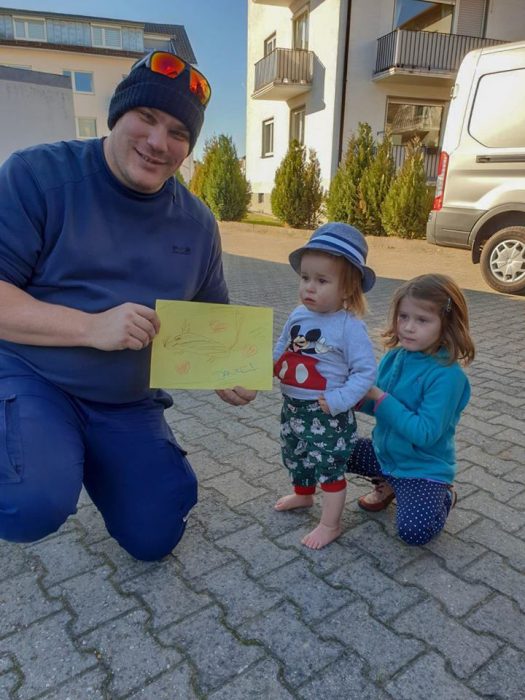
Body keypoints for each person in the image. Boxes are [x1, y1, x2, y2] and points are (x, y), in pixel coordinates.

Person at [0, 50, 255, 561]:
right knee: (29, 504)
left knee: (155, 535)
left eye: (179, 132)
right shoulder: (38, 175)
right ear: (119, 114)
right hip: (34, 376)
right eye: (147, 118)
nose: (159, 142)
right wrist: (90, 328)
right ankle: (44, 446)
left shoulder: (198, 224)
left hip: (126, 401)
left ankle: (87, 454)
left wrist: (232, 369)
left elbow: (215, 322)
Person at [347, 273, 475, 545]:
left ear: (447, 324)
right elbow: (376, 405)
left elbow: (425, 433)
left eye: (422, 320)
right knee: (332, 447)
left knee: (414, 532)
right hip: (387, 455)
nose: (407, 327)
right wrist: (354, 397)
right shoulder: (396, 356)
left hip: (422, 467)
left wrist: (379, 397)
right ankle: (390, 483)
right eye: (403, 316)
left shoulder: (447, 376)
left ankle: (441, 496)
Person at [273, 223, 376, 549]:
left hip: (327, 413)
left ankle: (330, 524)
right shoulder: (298, 314)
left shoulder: (349, 326)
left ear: (347, 289)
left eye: (321, 281)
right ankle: (304, 495)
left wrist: (339, 399)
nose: (309, 288)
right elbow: (281, 348)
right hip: (292, 406)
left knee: (328, 464)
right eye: (305, 278)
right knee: (296, 453)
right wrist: (260, 370)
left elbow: (365, 373)